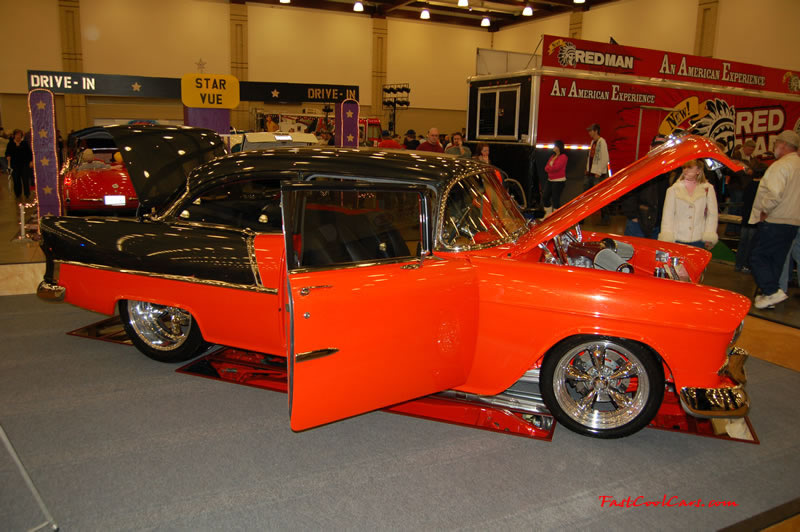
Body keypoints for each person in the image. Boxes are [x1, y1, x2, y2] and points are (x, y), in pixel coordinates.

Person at [748, 130, 800, 309]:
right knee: (776, 260)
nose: (775, 147)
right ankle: (768, 296)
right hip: (793, 221)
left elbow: (774, 194)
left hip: (776, 219)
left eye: (776, 144)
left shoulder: (781, 166)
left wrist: (764, 210)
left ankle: (771, 291)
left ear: (783, 145)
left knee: (757, 256)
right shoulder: (798, 165)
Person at [658, 159, 718, 249]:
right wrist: (667, 236)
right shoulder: (673, 190)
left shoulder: (708, 189)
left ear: (698, 170)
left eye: (689, 167)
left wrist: (709, 234)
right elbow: (668, 215)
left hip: (699, 238)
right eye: (684, 167)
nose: (685, 170)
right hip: (677, 238)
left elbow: (712, 214)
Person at [622, 135, 671, 239]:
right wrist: (633, 216)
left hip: (658, 225)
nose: (658, 150)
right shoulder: (640, 168)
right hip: (638, 224)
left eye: (662, 147)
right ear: (650, 147)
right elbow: (628, 192)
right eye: (656, 146)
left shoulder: (670, 170)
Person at [734, 168, 763, 273]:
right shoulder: (761, 188)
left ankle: (738, 265)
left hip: (745, 219)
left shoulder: (748, 185)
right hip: (754, 220)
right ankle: (746, 265)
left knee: (742, 243)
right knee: (751, 245)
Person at [585, 123, 610, 223]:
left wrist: (599, 172)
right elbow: (590, 157)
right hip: (591, 173)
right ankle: (583, 218)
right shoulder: (593, 142)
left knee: (600, 196)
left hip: (598, 175)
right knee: (586, 194)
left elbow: (605, 158)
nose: (589, 133)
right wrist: (587, 168)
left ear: (596, 131)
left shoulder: (601, 142)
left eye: (591, 131)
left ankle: (605, 218)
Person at [5, 128, 33, 201]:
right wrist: (8, 156)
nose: (18, 136)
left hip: (24, 164)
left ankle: (27, 194)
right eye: (17, 135)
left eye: (19, 135)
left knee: (25, 180)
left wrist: (31, 161)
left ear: (21, 136)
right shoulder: (10, 144)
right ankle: (18, 194)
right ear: (14, 136)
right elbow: (7, 152)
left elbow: (29, 153)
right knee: (16, 180)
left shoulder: (24, 143)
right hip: (14, 165)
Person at [542, 140, 567, 216]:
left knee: (555, 199)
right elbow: (546, 167)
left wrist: (549, 168)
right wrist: (549, 168)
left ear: (559, 147)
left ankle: (556, 216)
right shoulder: (552, 156)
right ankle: (547, 214)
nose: (553, 147)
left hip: (559, 181)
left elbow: (557, 168)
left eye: (555, 146)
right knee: (545, 197)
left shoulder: (563, 157)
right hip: (550, 180)